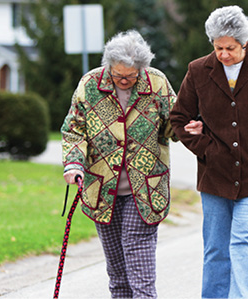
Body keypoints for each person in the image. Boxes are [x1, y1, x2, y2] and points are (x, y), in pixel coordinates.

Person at [170, 5, 248, 299]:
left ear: (244, 43)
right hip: (214, 176)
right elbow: (179, 118)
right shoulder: (198, 70)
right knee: (216, 247)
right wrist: (203, 147)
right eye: (218, 48)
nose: (224, 54)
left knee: (245, 241)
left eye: (230, 48)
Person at [61, 30, 177, 298]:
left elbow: (173, 125)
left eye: (131, 75)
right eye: (118, 75)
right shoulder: (90, 85)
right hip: (102, 191)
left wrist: (189, 127)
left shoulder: (157, 83)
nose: (124, 81)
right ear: (108, 66)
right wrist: (73, 164)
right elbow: (74, 130)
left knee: (140, 273)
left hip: (146, 191)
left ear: (141, 69)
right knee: (118, 276)